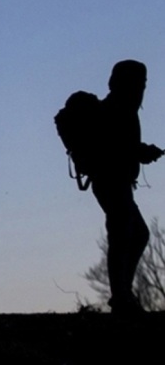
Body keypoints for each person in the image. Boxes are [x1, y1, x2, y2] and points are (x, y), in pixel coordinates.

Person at [89, 60, 163, 314]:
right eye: (139, 83)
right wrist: (143, 152)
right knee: (122, 234)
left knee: (137, 234)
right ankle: (121, 296)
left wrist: (141, 152)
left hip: (118, 182)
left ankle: (123, 293)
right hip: (110, 181)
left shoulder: (123, 109)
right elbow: (115, 147)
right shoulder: (116, 109)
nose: (141, 89)